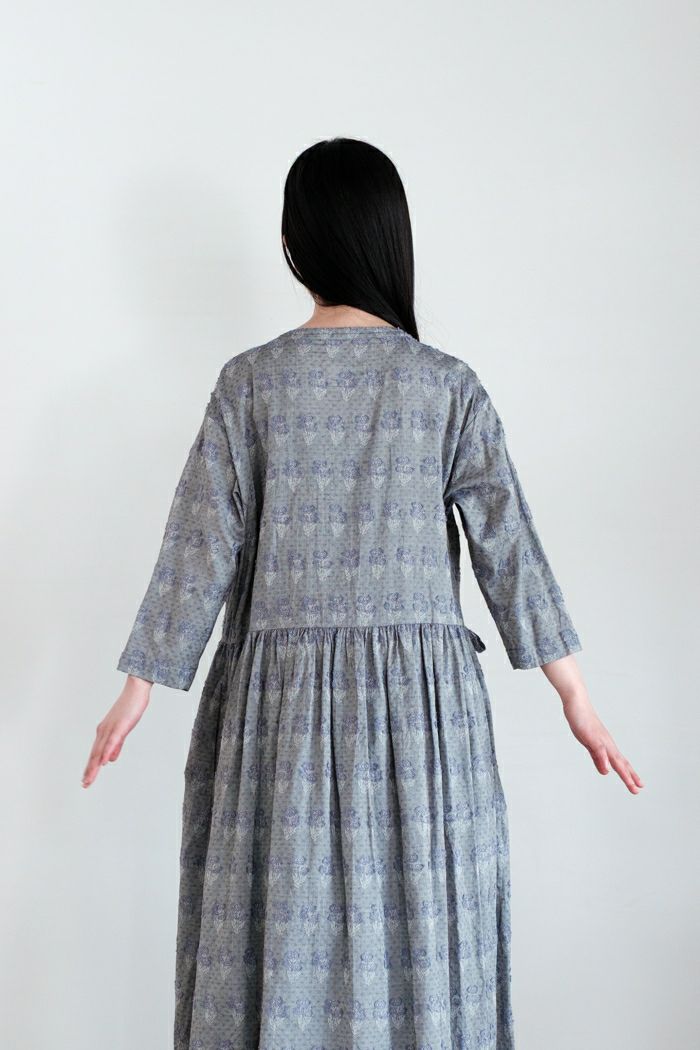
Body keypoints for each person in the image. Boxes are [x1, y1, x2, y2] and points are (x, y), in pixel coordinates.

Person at [83, 137, 643, 1049]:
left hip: (280, 722)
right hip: (424, 725)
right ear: (391, 239)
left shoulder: (250, 384)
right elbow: (511, 550)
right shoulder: (445, 386)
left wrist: (139, 684)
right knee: (427, 945)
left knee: (278, 941)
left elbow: (198, 547)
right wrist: (573, 693)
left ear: (295, 244)